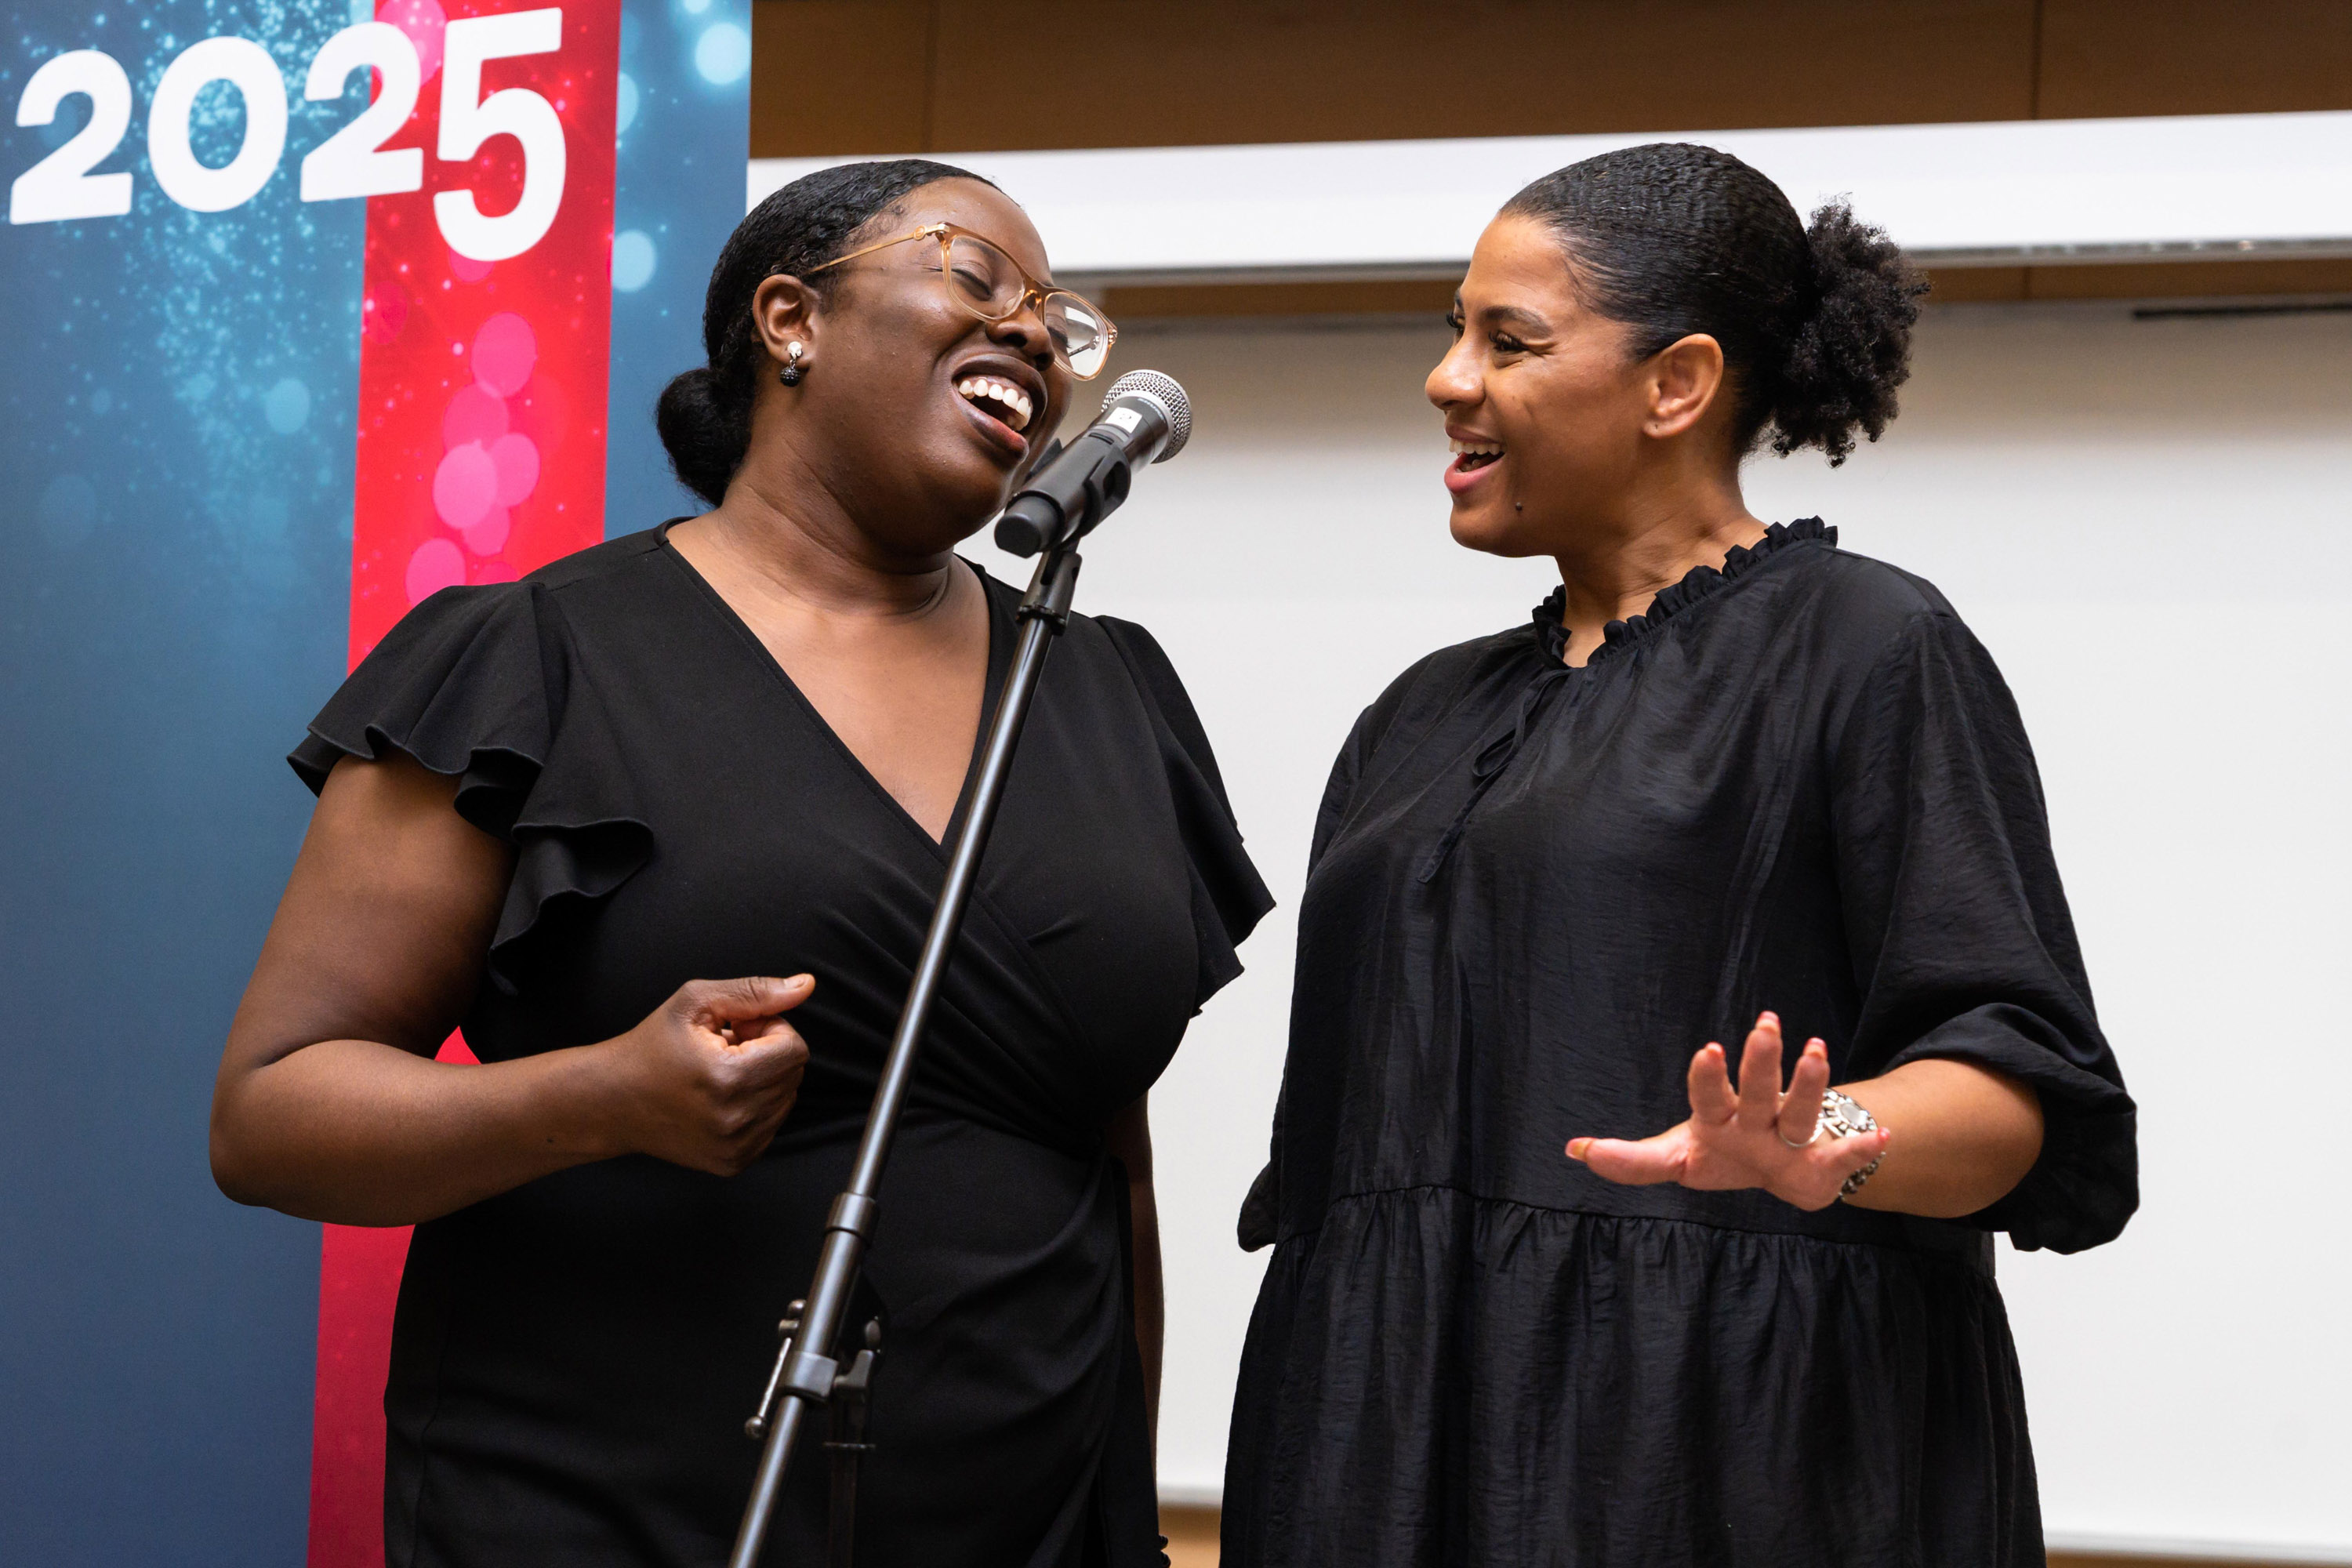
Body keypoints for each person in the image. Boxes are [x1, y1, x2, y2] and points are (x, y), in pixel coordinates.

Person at [210, 159, 1270, 1568]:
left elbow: (1105, 1157)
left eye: (1054, 321)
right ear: (791, 320)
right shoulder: (538, 660)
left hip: (1025, 1511)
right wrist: (600, 1097)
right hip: (607, 1503)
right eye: (973, 278)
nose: (1029, 333)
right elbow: (272, 1116)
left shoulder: (1105, 690)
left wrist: (1120, 1518)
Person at [1222, 143, 2136, 1567]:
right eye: (1453, 331)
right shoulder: (1419, 713)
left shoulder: (1869, 648)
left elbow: (2017, 1094)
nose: (1447, 379)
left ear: (1677, 384)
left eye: (1507, 339)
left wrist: (1811, 1144)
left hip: (1716, 1452)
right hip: (1383, 1438)